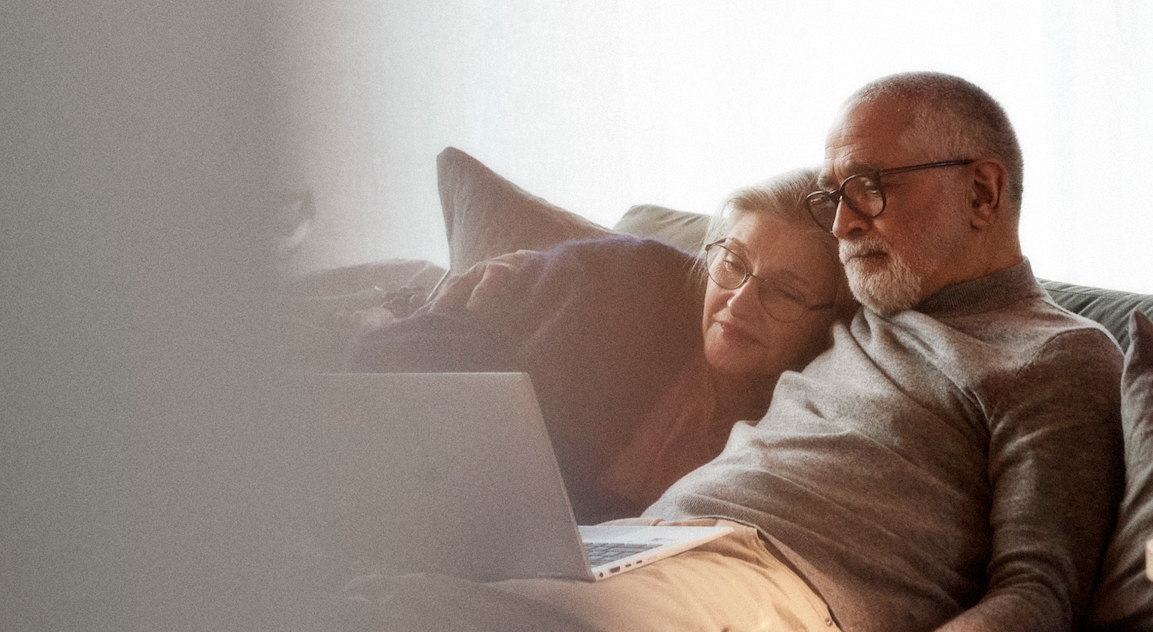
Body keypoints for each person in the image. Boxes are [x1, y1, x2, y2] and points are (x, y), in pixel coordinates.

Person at [346, 71, 1126, 632]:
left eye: (870, 185)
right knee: (356, 585)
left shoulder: (1056, 354)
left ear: (984, 193)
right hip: (638, 544)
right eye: (834, 195)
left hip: (779, 579)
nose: (844, 222)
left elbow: (1038, 592)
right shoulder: (857, 312)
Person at [350, 168, 853, 523]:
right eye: (732, 263)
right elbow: (396, 361)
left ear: (828, 322)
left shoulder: (808, 421)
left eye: (785, 291)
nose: (740, 302)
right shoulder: (624, 281)